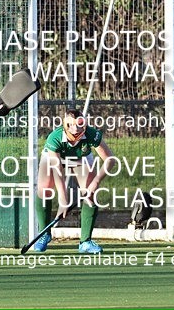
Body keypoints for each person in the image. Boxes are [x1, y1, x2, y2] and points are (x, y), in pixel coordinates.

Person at [32, 108, 115, 254]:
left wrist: (96, 182)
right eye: (71, 128)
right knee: (44, 188)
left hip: (80, 158)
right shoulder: (54, 138)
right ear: (65, 126)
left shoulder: (91, 134)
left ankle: (85, 242)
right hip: (55, 158)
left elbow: (110, 160)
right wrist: (63, 201)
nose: (76, 132)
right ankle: (44, 233)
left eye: (79, 127)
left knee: (90, 193)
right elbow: (58, 171)